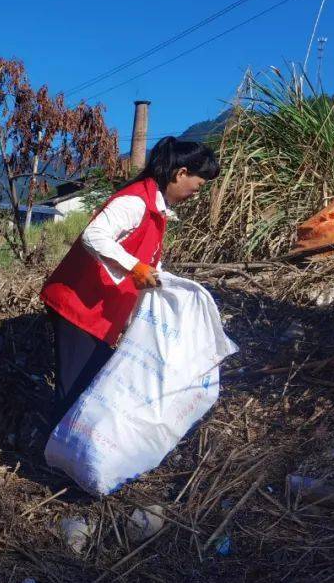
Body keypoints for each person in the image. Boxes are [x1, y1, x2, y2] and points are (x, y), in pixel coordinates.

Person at [40, 136, 220, 423]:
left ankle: (66, 451)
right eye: (198, 186)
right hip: (79, 305)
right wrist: (135, 267)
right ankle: (53, 456)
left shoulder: (157, 212)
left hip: (99, 310)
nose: (196, 194)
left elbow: (146, 265)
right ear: (181, 173)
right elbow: (94, 235)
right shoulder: (135, 201)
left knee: (90, 384)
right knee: (75, 389)